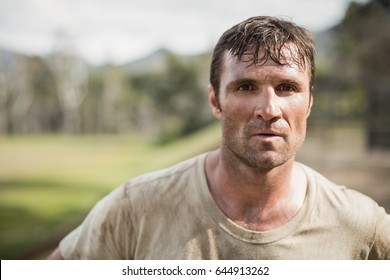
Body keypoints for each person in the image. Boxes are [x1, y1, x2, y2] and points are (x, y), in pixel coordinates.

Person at [48, 16, 390, 260]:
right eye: (245, 87)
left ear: (310, 101)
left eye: (287, 88)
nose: (269, 109)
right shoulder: (136, 208)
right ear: (215, 101)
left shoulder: (363, 226)